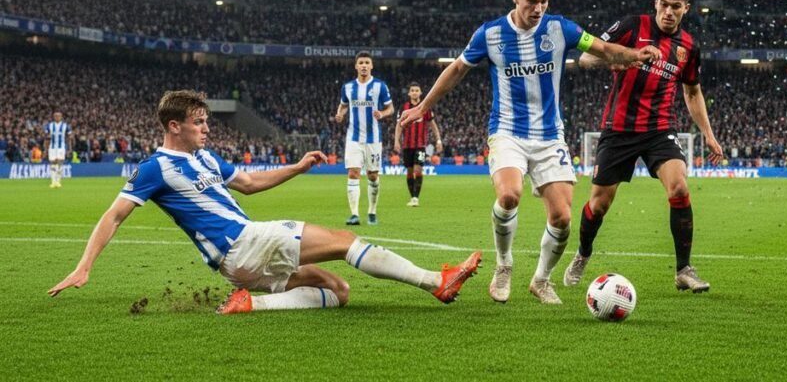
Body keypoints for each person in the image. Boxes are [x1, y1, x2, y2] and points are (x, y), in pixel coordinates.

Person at [48, 90, 480, 313]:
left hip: (238, 265)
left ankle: (252, 302)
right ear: (174, 125)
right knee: (345, 241)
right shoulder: (153, 169)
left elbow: (250, 183)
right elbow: (114, 215)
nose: (206, 129)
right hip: (243, 242)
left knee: (338, 290)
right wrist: (84, 266)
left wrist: (296, 167)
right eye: (199, 123)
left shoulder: (205, 157)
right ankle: (434, 283)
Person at [399, 0, 659, 305]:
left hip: (550, 135)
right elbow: (458, 69)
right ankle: (504, 264)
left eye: (544, 1)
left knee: (563, 218)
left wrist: (634, 56)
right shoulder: (490, 34)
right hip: (507, 130)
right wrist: (423, 107)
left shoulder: (560, 28)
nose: (538, 9)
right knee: (509, 195)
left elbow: (602, 49)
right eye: (532, 1)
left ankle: (541, 279)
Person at [561, 0, 724, 294]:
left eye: (676, 6)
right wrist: (618, 57)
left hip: (660, 129)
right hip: (619, 129)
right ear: (656, 2)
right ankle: (583, 253)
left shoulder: (688, 47)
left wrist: (709, 134)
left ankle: (683, 269)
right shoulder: (632, 26)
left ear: (685, 8)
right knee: (599, 205)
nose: (668, 12)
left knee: (678, 187)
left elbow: (692, 93)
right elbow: (586, 58)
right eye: (664, 4)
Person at [336, 51, 393, 226]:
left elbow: (390, 108)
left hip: (373, 139)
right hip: (353, 138)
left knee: (372, 175)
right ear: (356, 66)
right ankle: (354, 214)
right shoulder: (348, 87)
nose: (364, 65)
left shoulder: (380, 86)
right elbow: (343, 104)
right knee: (353, 172)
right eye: (361, 62)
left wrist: (382, 114)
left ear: (371, 66)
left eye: (367, 62)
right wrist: (340, 114)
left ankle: (372, 211)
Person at [394, 82, 443, 207]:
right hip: (407, 145)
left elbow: (433, 125)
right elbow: (399, 125)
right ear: (409, 93)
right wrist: (396, 141)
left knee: (418, 170)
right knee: (410, 172)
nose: (415, 92)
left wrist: (438, 140)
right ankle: (412, 197)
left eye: (417, 90)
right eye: (412, 90)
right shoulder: (404, 107)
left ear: (420, 93)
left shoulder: (425, 108)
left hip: (420, 145)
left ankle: (416, 198)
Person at [45, 111, 70, 188]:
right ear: (53, 117)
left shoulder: (66, 126)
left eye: (58, 116)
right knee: (52, 163)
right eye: (55, 116)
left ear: (61, 117)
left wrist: (69, 148)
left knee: (59, 163)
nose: (57, 117)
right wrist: (46, 148)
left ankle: (58, 181)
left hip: (61, 147)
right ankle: (53, 182)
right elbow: (46, 138)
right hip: (52, 147)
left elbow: (69, 138)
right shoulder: (49, 125)